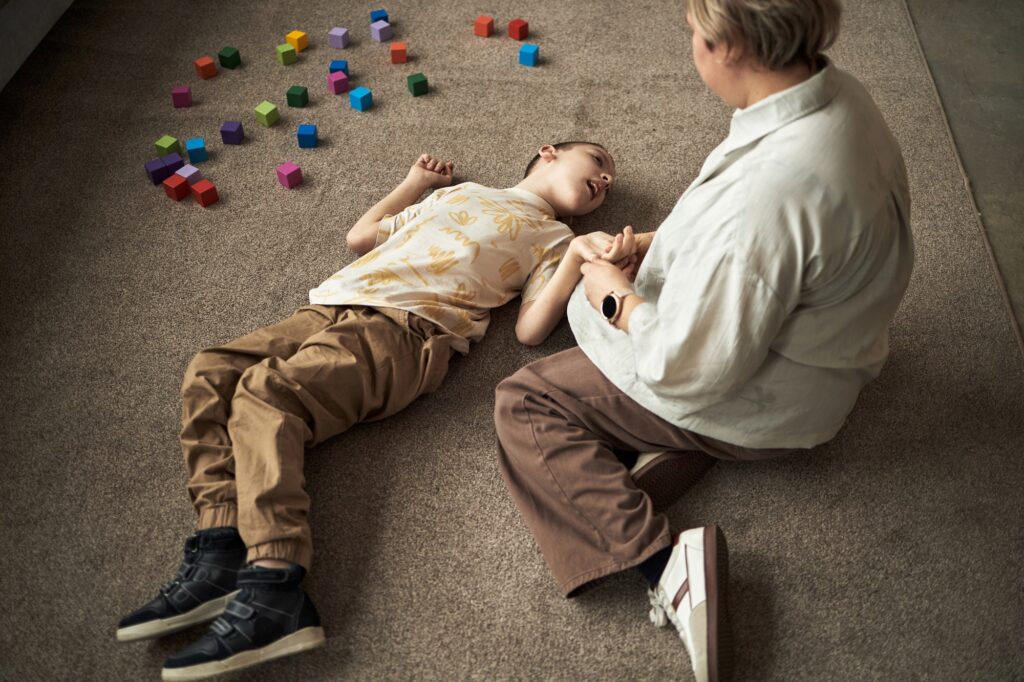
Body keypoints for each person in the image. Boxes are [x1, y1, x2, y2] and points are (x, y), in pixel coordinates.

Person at [493, 1, 914, 681]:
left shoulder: (769, 195)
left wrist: (609, 290)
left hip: (765, 400)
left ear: (729, 46)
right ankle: (666, 449)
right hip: (825, 352)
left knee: (524, 403)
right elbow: (734, 242)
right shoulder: (836, 96)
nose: (688, 44)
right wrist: (657, 248)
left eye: (692, 33)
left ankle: (667, 565)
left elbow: (687, 364)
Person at [117, 143, 633, 680]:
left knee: (266, 395)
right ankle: (222, 542)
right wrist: (414, 184)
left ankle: (276, 583)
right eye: (599, 162)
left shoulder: (556, 237)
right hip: (331, 303)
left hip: (407, 331)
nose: (606, 180)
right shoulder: (462, 193)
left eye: (611, 181)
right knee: (211, 371)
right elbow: (360, 238)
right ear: (548, 153)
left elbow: (529, 331)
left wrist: (577, 259)